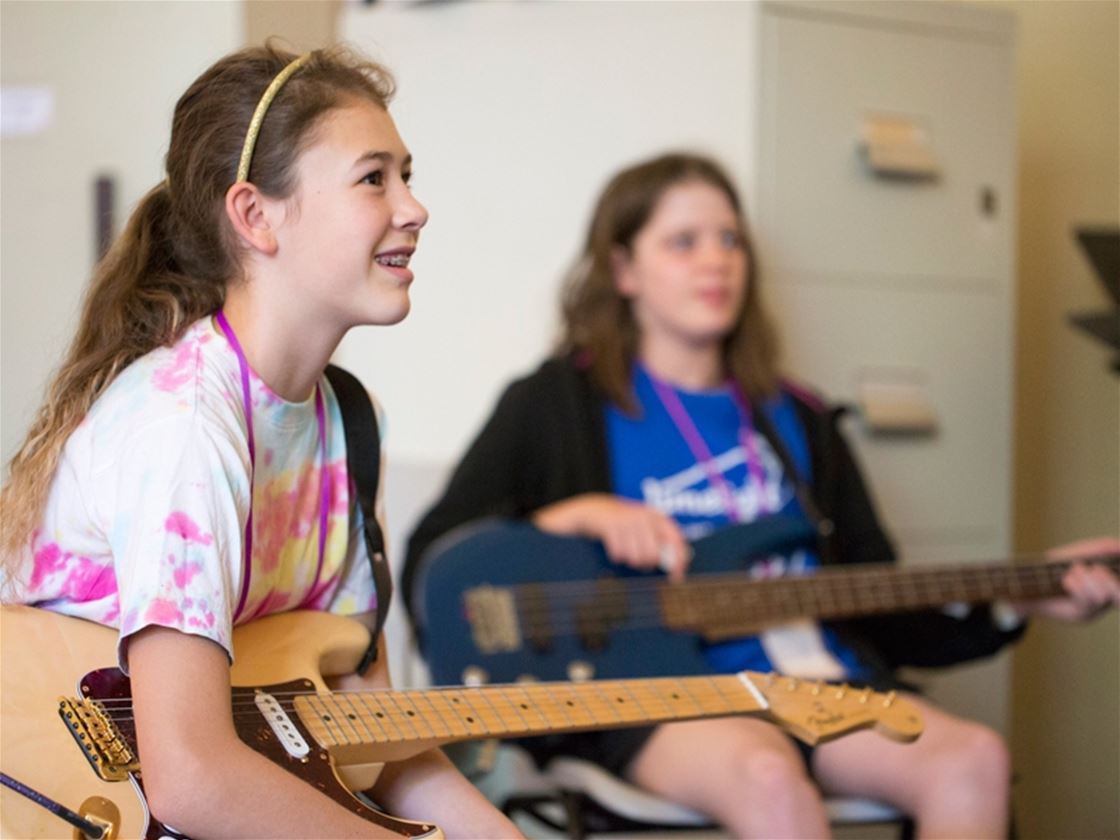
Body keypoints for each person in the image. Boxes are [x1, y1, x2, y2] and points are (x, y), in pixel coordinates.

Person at [403, 152, 1120, 839]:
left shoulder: (800, 416)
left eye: (729, 240)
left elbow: (880, 597)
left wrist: (1017, 599)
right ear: (624, 269)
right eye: (684, 242)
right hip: (659, 697)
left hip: (816, 679)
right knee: (768, 776)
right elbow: (435, 562)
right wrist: (576, 519)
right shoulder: (555, 403)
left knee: (974, 761)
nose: (716, 259)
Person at [0, 44, 521, 839]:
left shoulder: (350, 420)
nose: (413, 208)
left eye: (407, 175)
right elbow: (192, 779)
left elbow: (366, 715)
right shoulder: (183, 426)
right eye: (374, 177)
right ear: (254, 216)